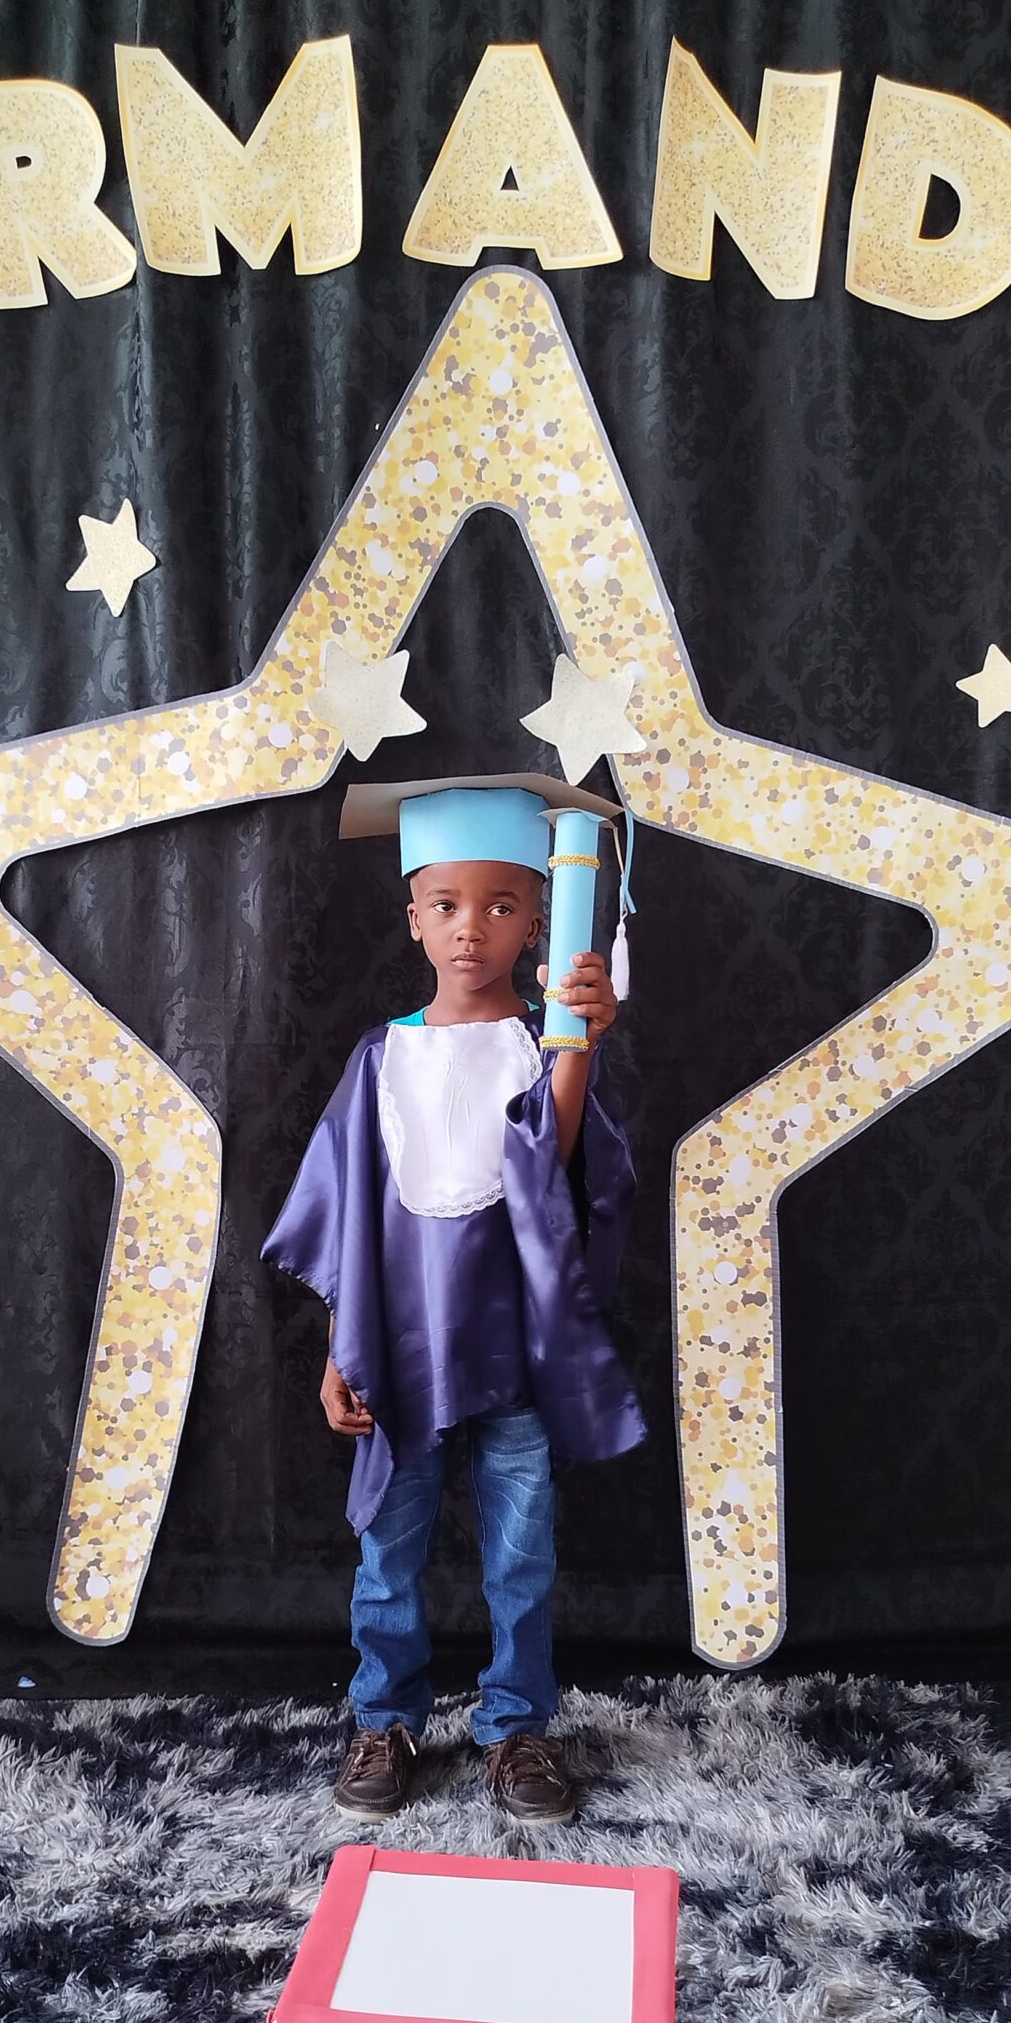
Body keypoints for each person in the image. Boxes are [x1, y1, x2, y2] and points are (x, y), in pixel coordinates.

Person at [262, 774, 646, 1826]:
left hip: (513, 1350)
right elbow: (348, 1220)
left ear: (534, 922)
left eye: (500, 905)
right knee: (389, 1551)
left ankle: (517, 1725)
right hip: (399, 1347)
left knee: (520, 1553)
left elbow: (559, 1166)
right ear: (413, 919)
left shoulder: (543, 1044)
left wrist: (580, 1042)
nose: (470, 927)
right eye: (446, 904)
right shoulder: (378, 1057)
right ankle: (384, 1717)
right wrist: (339, 1348)